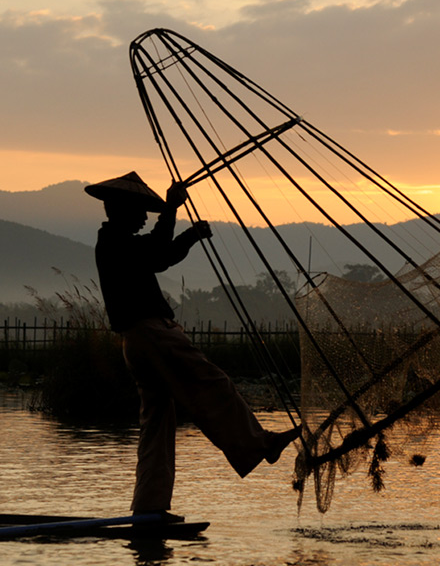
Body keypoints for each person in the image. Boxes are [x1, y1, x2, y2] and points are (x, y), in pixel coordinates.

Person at [85, 171, 300, 520]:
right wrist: (171, 209)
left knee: (157, 423)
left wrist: (189, 235)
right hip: (152, 334)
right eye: (139, 210)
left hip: (137, 341)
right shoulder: (116, 243)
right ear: (120, 209)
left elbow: (159, 258)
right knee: (213, 383)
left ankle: (149, 507)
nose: (144, 217)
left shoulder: (115, 243)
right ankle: (260, 444)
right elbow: (156, 251)